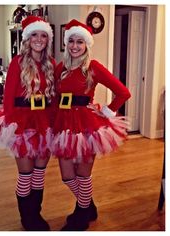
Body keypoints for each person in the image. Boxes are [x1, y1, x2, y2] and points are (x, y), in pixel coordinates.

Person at [52, 19, 131, 231]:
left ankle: (82, 217)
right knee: (67, 176)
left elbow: (123, 92)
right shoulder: (61, 67)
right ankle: (88, 206)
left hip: (87, 125)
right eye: (71, 41)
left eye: (80, 42)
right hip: (64, 125)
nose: (75, 46)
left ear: (87, 44)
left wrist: (106, 110)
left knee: (83, 175)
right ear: (66, 43)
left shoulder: (93, 67)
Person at [0, 16, 55, 231]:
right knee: (26, 174)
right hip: (21, 124)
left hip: (44, 124)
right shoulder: (17, 63)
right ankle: (27, 217)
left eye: (43, 35)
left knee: (39, 174)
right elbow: (8, 97)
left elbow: (56, 97)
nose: (39, 39)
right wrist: (13, 130)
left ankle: (36, 214)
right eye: (34, 35)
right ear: (27, 38)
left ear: (48, 40)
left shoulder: (51, 64)